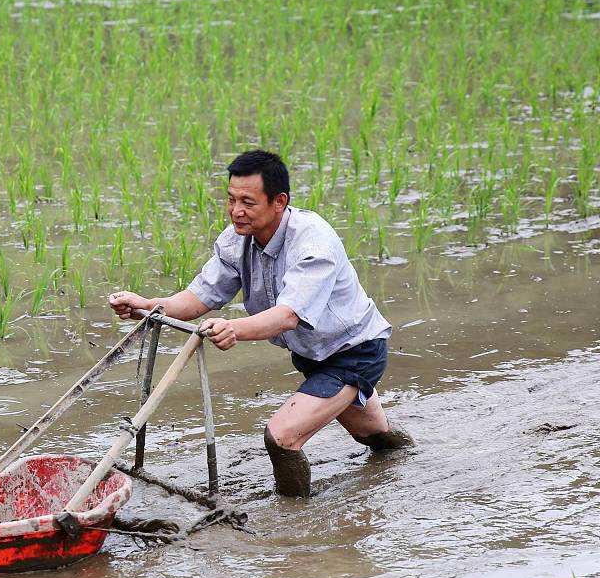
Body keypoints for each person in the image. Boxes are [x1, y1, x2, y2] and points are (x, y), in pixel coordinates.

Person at [109, 149, 412, 497]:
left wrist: (233, 328)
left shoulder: (313, 242)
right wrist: (149, 306)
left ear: (279, 201)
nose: (237, 210)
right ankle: (415, 461)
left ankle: (293, 521)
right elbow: (200, 297)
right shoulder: (237, 240)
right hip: (313, 356)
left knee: (282, 438)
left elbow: (288, 315)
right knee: (375, 437)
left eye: (248, 202)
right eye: (231, 199)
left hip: (354, 353)